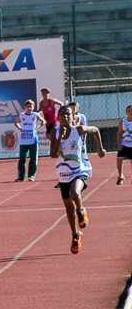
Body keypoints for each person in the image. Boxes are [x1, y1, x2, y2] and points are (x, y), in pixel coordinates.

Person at [50, 105, 105, 254]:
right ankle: (75, 235)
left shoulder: (78, 130)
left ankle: (81, 210)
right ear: (58, 117)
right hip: (63, 175)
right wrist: (60, 137)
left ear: (73, 117)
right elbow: (53, 154)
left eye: (68, 114)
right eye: (62, 114)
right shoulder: (54, 133)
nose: (65, 117)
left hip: (79, 171)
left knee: (75, 193)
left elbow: (96, 130)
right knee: (68, 208)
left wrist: (100, 148)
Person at [14, 100, 46, 182]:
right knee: (22, 159)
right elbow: (16, 122)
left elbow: (43, 121)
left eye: (31, 106)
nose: (29, 108)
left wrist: (37, 127)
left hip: (33, 140)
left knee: (33, 158)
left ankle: (31, 175)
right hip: (24, 140)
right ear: (25, 107)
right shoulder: (22, 115)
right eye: (28, 106)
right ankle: (21, 176)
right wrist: (20, 128)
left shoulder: (35, 115)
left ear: (33, 107)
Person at [117, 104, 132, 185]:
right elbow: (119, 133)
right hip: (125, 143)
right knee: (119, 159)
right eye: (129, 111)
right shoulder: (123, 122)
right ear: (126, 113)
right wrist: (119, 144)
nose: (130, 112)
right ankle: (120, 176)